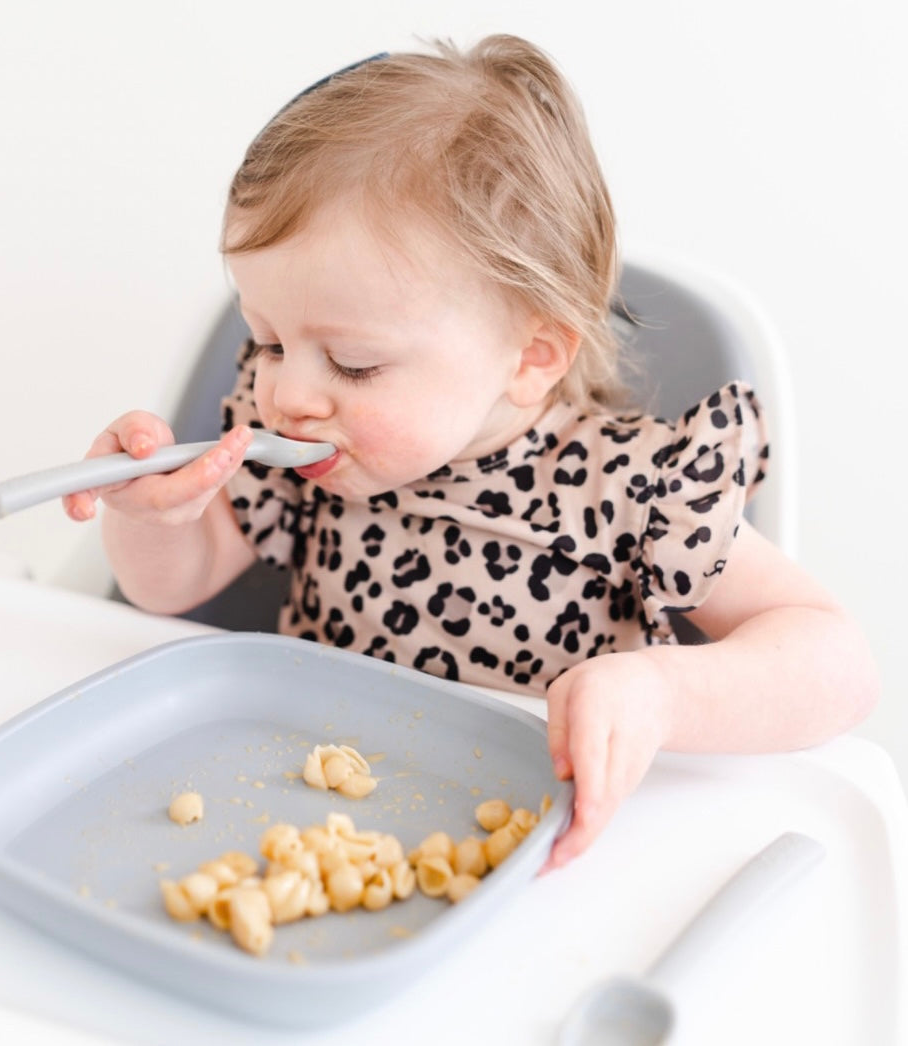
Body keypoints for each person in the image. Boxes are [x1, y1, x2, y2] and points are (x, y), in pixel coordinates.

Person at [63, 35, 878, 869]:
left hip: (537, 856)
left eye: (352, 363)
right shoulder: (307, 456)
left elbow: (837, 661)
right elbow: (169, 587)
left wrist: (660, 696)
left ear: (531, 358)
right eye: (268, 341)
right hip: (305, 825)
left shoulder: (633, 490)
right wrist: (154, 516)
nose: (287, 394)